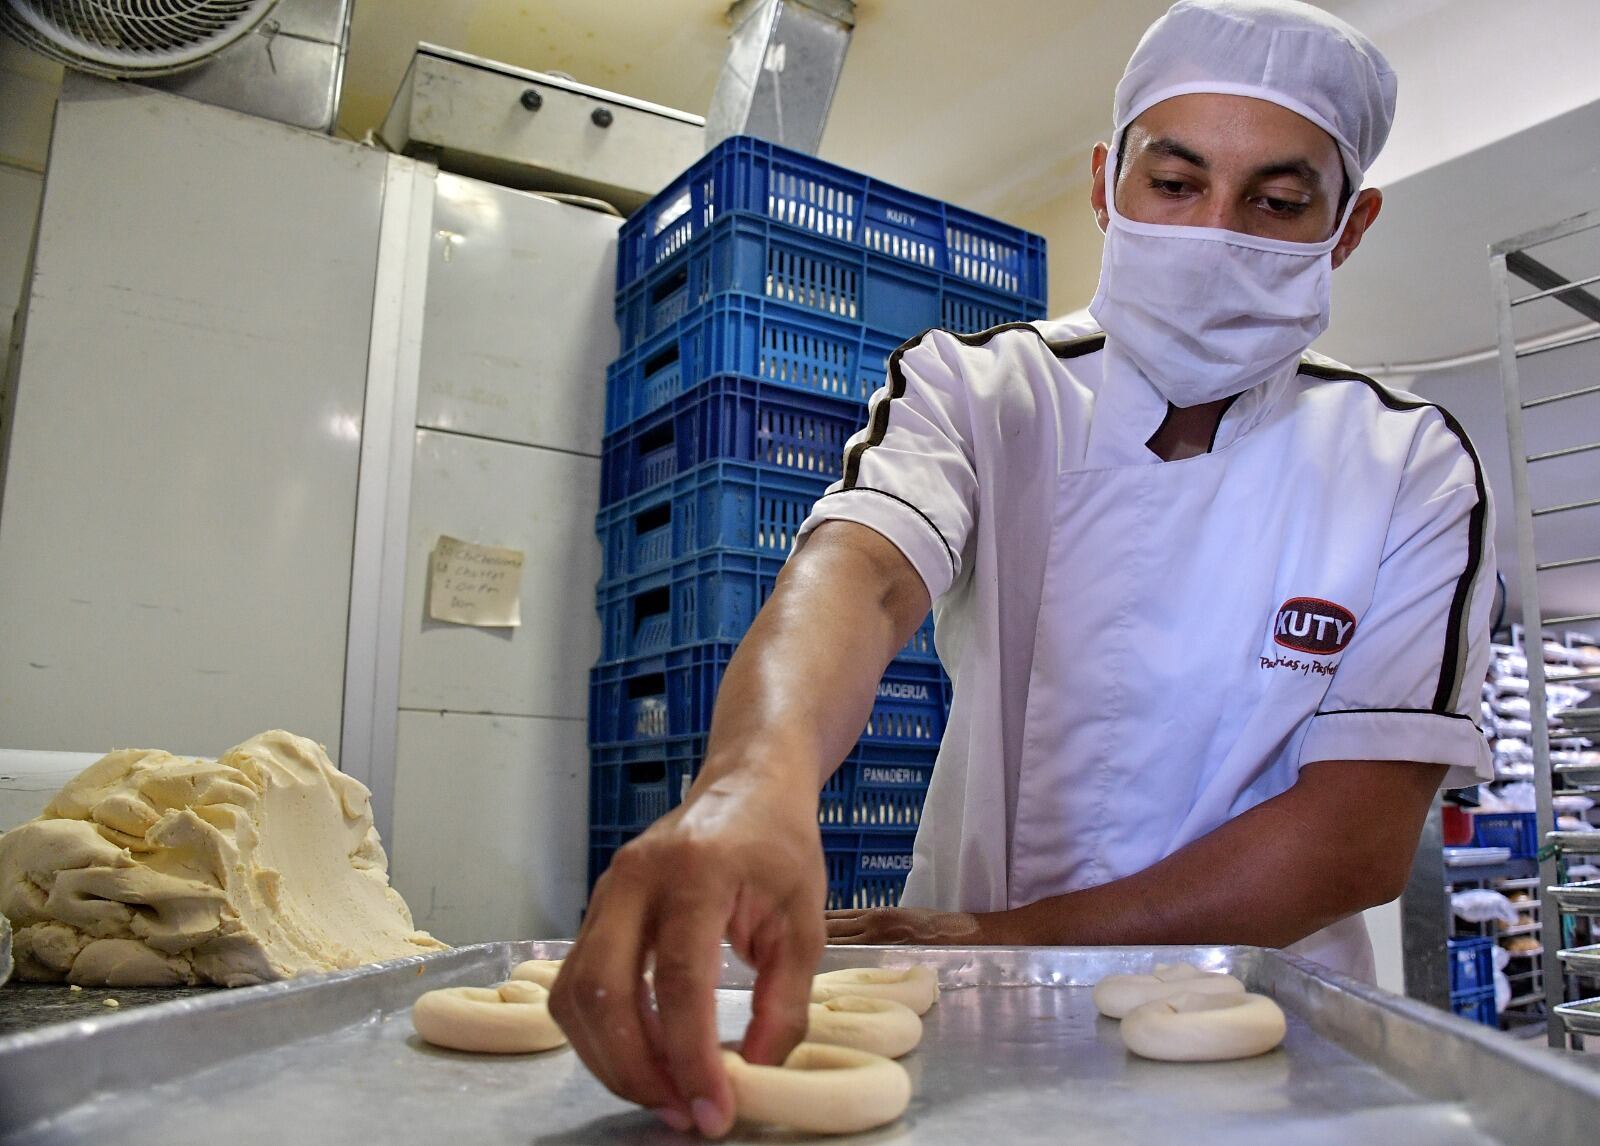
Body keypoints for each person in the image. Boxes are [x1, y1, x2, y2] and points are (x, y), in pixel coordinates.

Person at [551, 0, 1494, 1136]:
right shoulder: (980, 387)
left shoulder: (1406, 463)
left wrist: (1002, 939)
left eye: (1278, 202)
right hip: (974, 1027)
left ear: (1348, 227)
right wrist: (753, 780)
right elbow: (867, 571)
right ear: (1107, 183)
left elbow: (1354, 831)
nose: (1214, 231)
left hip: (1258, 1037)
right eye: (1174, 182)